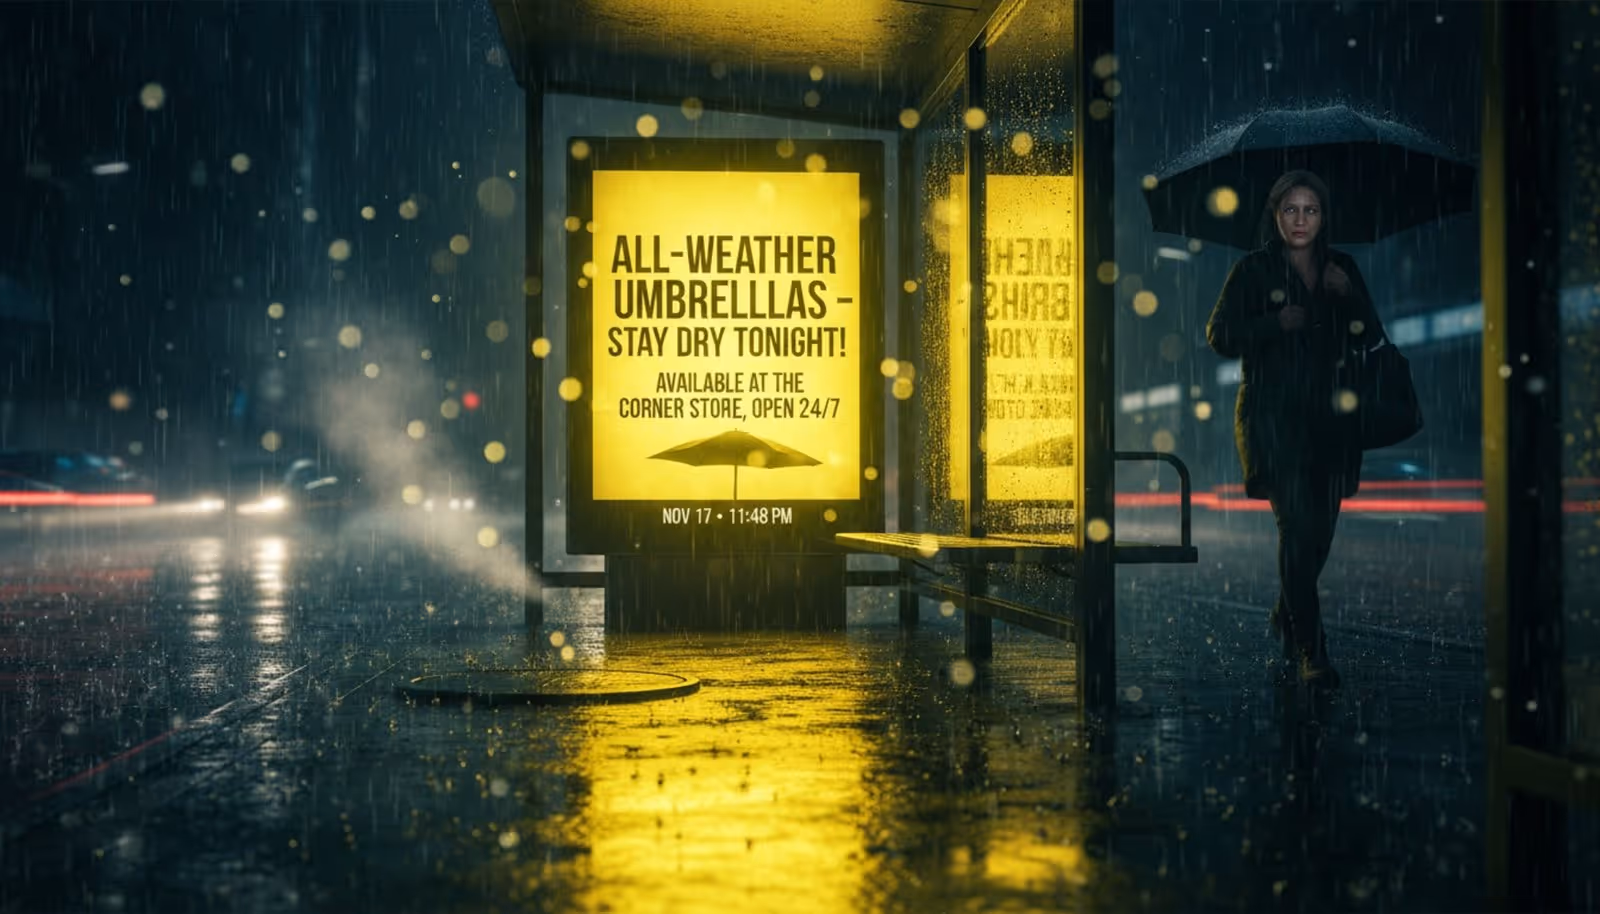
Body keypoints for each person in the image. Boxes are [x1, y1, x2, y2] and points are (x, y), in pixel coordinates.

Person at [1205, 169, 1385, 689]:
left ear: (1323, 217)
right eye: (1291, 209)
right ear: (1275, 216)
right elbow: (1218, 335)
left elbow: (1372, 336)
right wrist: (1271, 325)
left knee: (1319, 535)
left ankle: (1288, 611)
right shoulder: (1253, 271)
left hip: (1333, 423)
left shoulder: (1342, 268)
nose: (1300, 219)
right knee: (1296, 530)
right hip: (1272, 421)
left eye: (1311, 210)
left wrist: (1347, 296)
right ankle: (1313, 652)